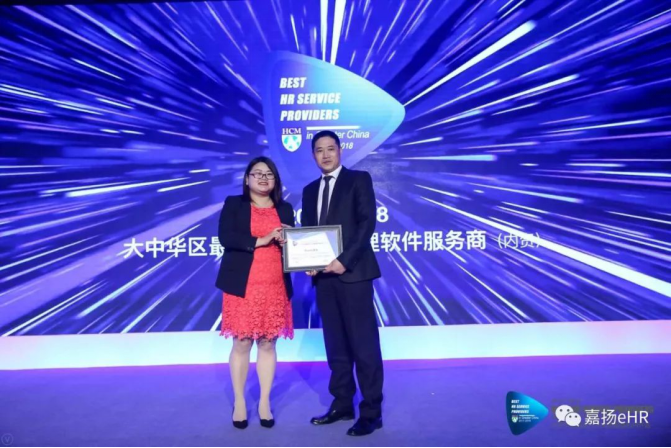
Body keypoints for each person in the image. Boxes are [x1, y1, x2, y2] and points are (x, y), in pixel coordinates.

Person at [302, 130, 384, 436]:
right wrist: (308, 261)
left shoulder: (358, 180)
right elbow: (308, 233)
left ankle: (372, 412)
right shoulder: (310, 190)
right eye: (319, 150)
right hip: (324, 279)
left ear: (340, 150)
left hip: (354, 274)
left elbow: (367, 224)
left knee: (364, 346)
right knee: (335, 345)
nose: (325, 154)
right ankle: (342, 403)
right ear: (313, 155)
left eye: (330, 148)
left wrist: (344, 261)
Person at [215, 156, 294, 430]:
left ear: (276, 181)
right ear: (247, 178)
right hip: (243, 285)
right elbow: (226, 238)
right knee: (242, 342)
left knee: (268, 343)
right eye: (257, 173)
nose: (263, 178)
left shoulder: (285, 209)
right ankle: (239, 401)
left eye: (269, 174)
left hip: (275, 284)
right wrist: (263, 239)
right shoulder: (234, 204)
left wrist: (290, 240)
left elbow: (293, 249)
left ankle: (264, 402)